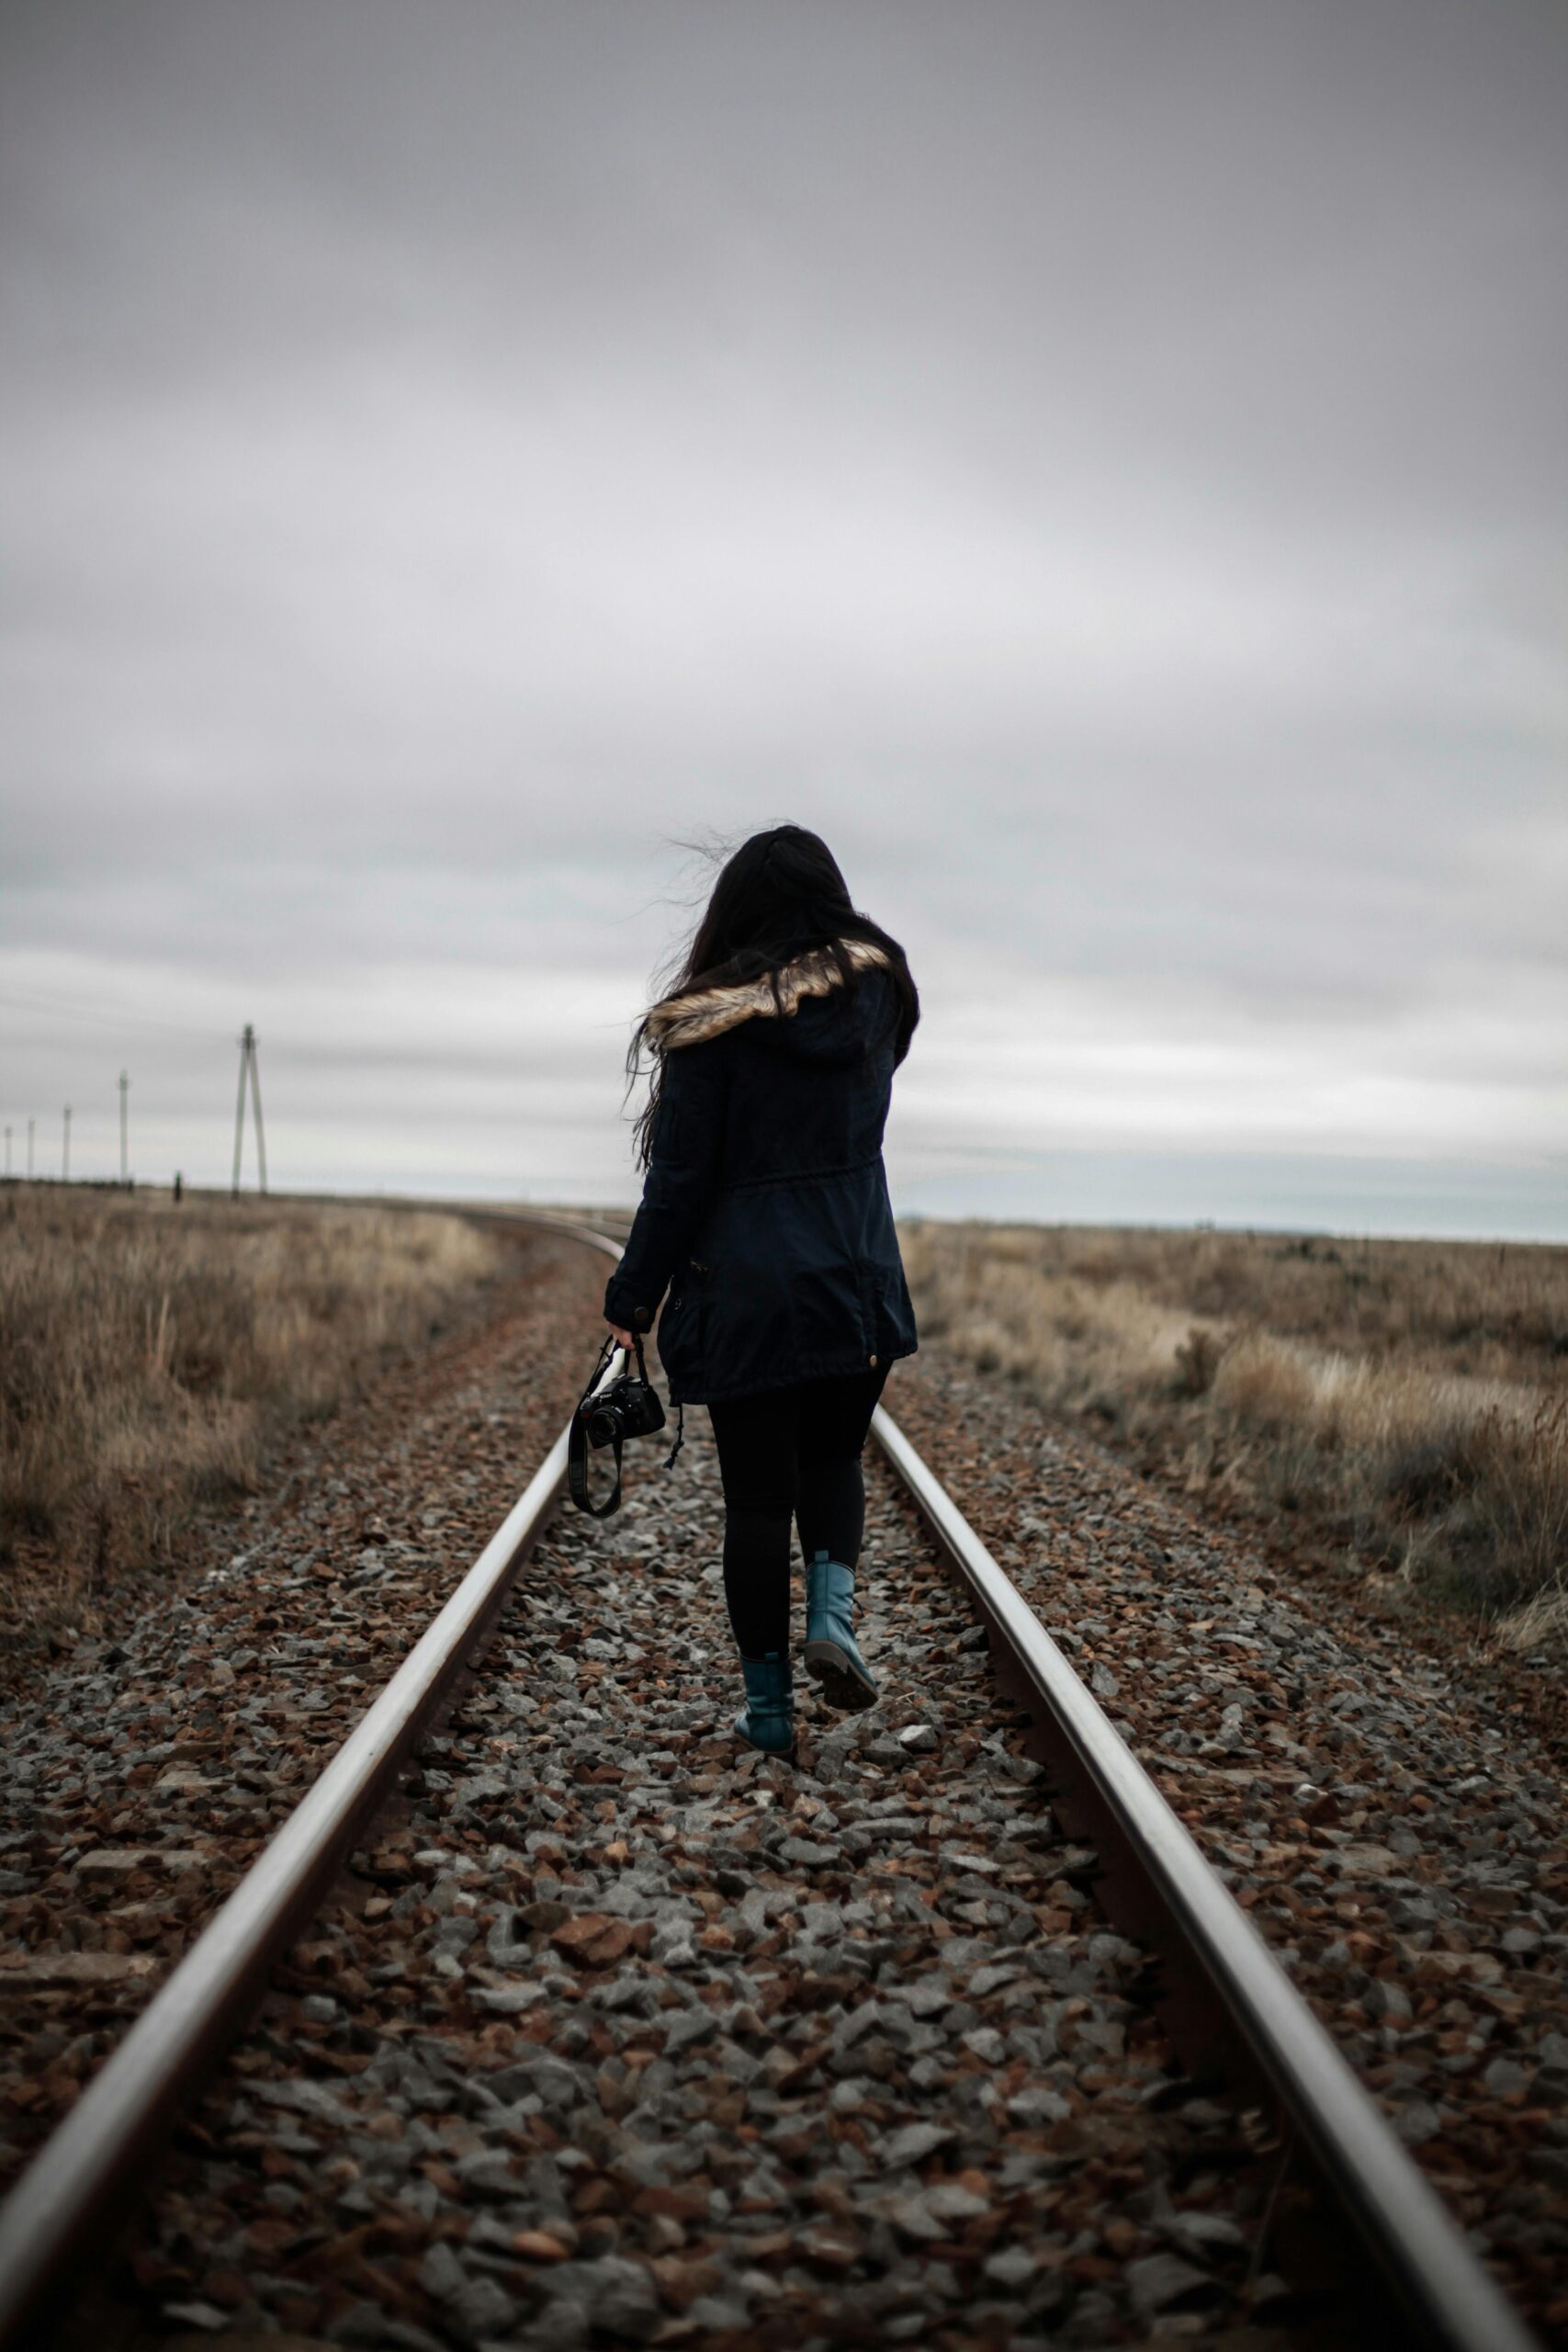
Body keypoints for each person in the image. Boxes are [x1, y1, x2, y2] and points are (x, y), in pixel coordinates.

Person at [604, 825, 920, 1758]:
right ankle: (835, 1619)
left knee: (754, 1503)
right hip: (854, 1279)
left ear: (733, 912)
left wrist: (632, 1298)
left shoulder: (707, 1030)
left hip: (743, 1294)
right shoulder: (880, 999)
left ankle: (771, 1713)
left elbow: (679, 1186)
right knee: (834, 1462)